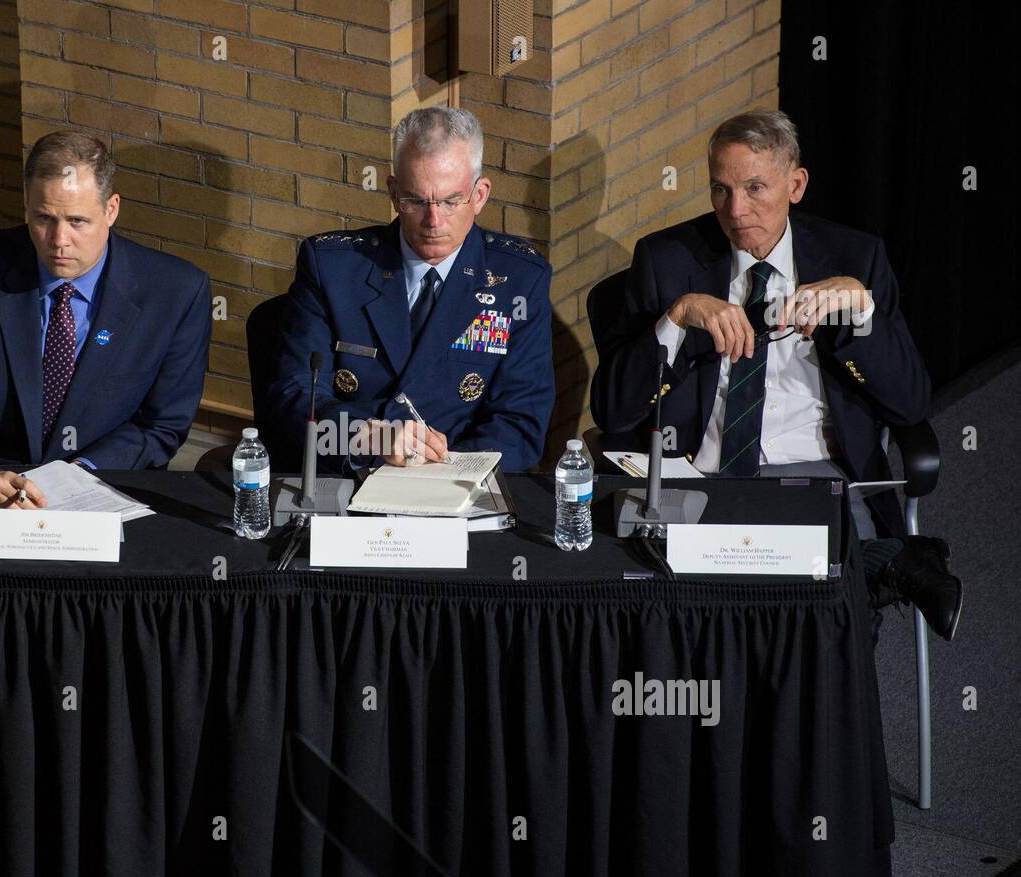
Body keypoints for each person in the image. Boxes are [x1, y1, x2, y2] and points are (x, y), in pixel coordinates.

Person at [590, 108, 962, 640]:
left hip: (816, 474)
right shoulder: (666, 261)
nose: (735, 210)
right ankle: (889, 562)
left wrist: (861, 317)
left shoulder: (856, 257)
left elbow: (910, 406)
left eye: (755, 188)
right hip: (703, 475)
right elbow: (613, 409)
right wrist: (676, 320)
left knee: (829, 621)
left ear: (796, 184)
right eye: (720, 189)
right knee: (701, 619)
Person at [0, 131, 211, 509]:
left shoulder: (177, 293)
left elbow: (160, 424)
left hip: (105, 487)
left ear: (112, 209)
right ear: (25, 205)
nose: (59, 240)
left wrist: (77, 478)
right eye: (44, 218)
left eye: (77, 221)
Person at [270, 107, 554, 472]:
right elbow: (293, 397)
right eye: (416, 201)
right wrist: (361, 437)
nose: (433, 221)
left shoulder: (518, 282)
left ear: (479, 195)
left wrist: (445, 475)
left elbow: (520, 422)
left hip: (457, 485)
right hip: (351, 474)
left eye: (451, 201)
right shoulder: (333, 268)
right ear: (393, 192)